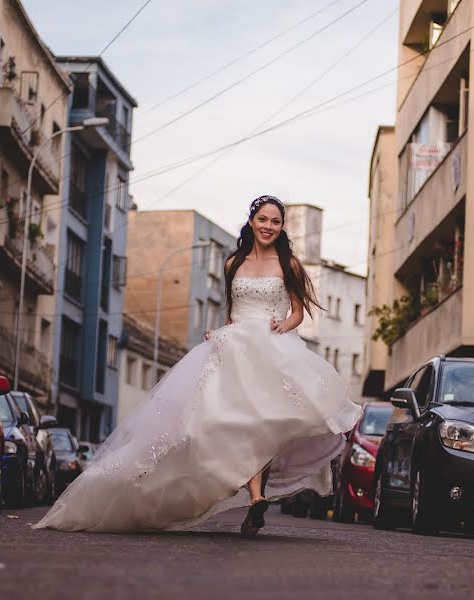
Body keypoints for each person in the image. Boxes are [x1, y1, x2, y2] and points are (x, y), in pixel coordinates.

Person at [33, 195, 361, 535]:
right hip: (234, 346)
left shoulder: (289, 264)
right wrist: (219, 331)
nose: (268, 226)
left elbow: (297, 312)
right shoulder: (233, 261)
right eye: (263, 219)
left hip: (272, 345)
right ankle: (254, 497)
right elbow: (232, 309)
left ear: (281, 228)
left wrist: (283, 326)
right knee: (225, 421)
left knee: (264, 423)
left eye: (275, 222)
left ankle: (255, 497)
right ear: (252, 222)